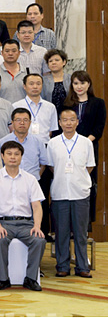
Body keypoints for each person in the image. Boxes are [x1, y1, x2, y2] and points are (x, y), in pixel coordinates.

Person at [0, 141, 46, 291]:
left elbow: (37, 206)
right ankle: (3, 279)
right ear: (2, 156)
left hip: (26, 224)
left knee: (39, 240)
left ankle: (31, 278)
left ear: (21, 157)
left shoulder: (30, 179)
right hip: (3, 223)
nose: (13, 157)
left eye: (16, 154)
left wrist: (37, 226)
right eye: (9, 154)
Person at [46, 107, 94, 278]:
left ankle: (82, 266)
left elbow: (89, 166)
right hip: (60, 193)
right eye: (65, 120)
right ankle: (63, 266)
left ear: (77, 122)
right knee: (61, 232)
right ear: (59, 123)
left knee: (81, 233)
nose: (68, 123)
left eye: (72, 119)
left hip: (80, 193)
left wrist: (77, 178)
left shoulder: (86, 143)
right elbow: (51, 166)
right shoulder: (53, 143)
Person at [65, 70, 106, 226]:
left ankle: (86, 224)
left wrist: (83, 142)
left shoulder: (98, 103)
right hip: (68, 148)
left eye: (82, 83)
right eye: (76, 83)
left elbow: (99, 127)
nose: (79, 86)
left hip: (89, 147)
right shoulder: (66, 103)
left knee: (87, 183)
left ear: (89, 84)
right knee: (69, 182)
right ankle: (68, 224)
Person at [0, 108, 50, 179]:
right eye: (18, 120)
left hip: (32, 182)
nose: (22, 123)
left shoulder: (38, 142)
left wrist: (36, 178)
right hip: (8, 181)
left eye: (25, 120)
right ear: (12, 122)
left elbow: (43, 163)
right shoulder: (2, 142)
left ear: (30, 122)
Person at [13, 73, 58, 145]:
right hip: (23, 145)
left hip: (44, 145)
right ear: (24, 86)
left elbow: (51, 131)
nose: (35, 87)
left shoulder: (50, 107)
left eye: (38, 84)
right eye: (31, 84)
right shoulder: (16, 106)